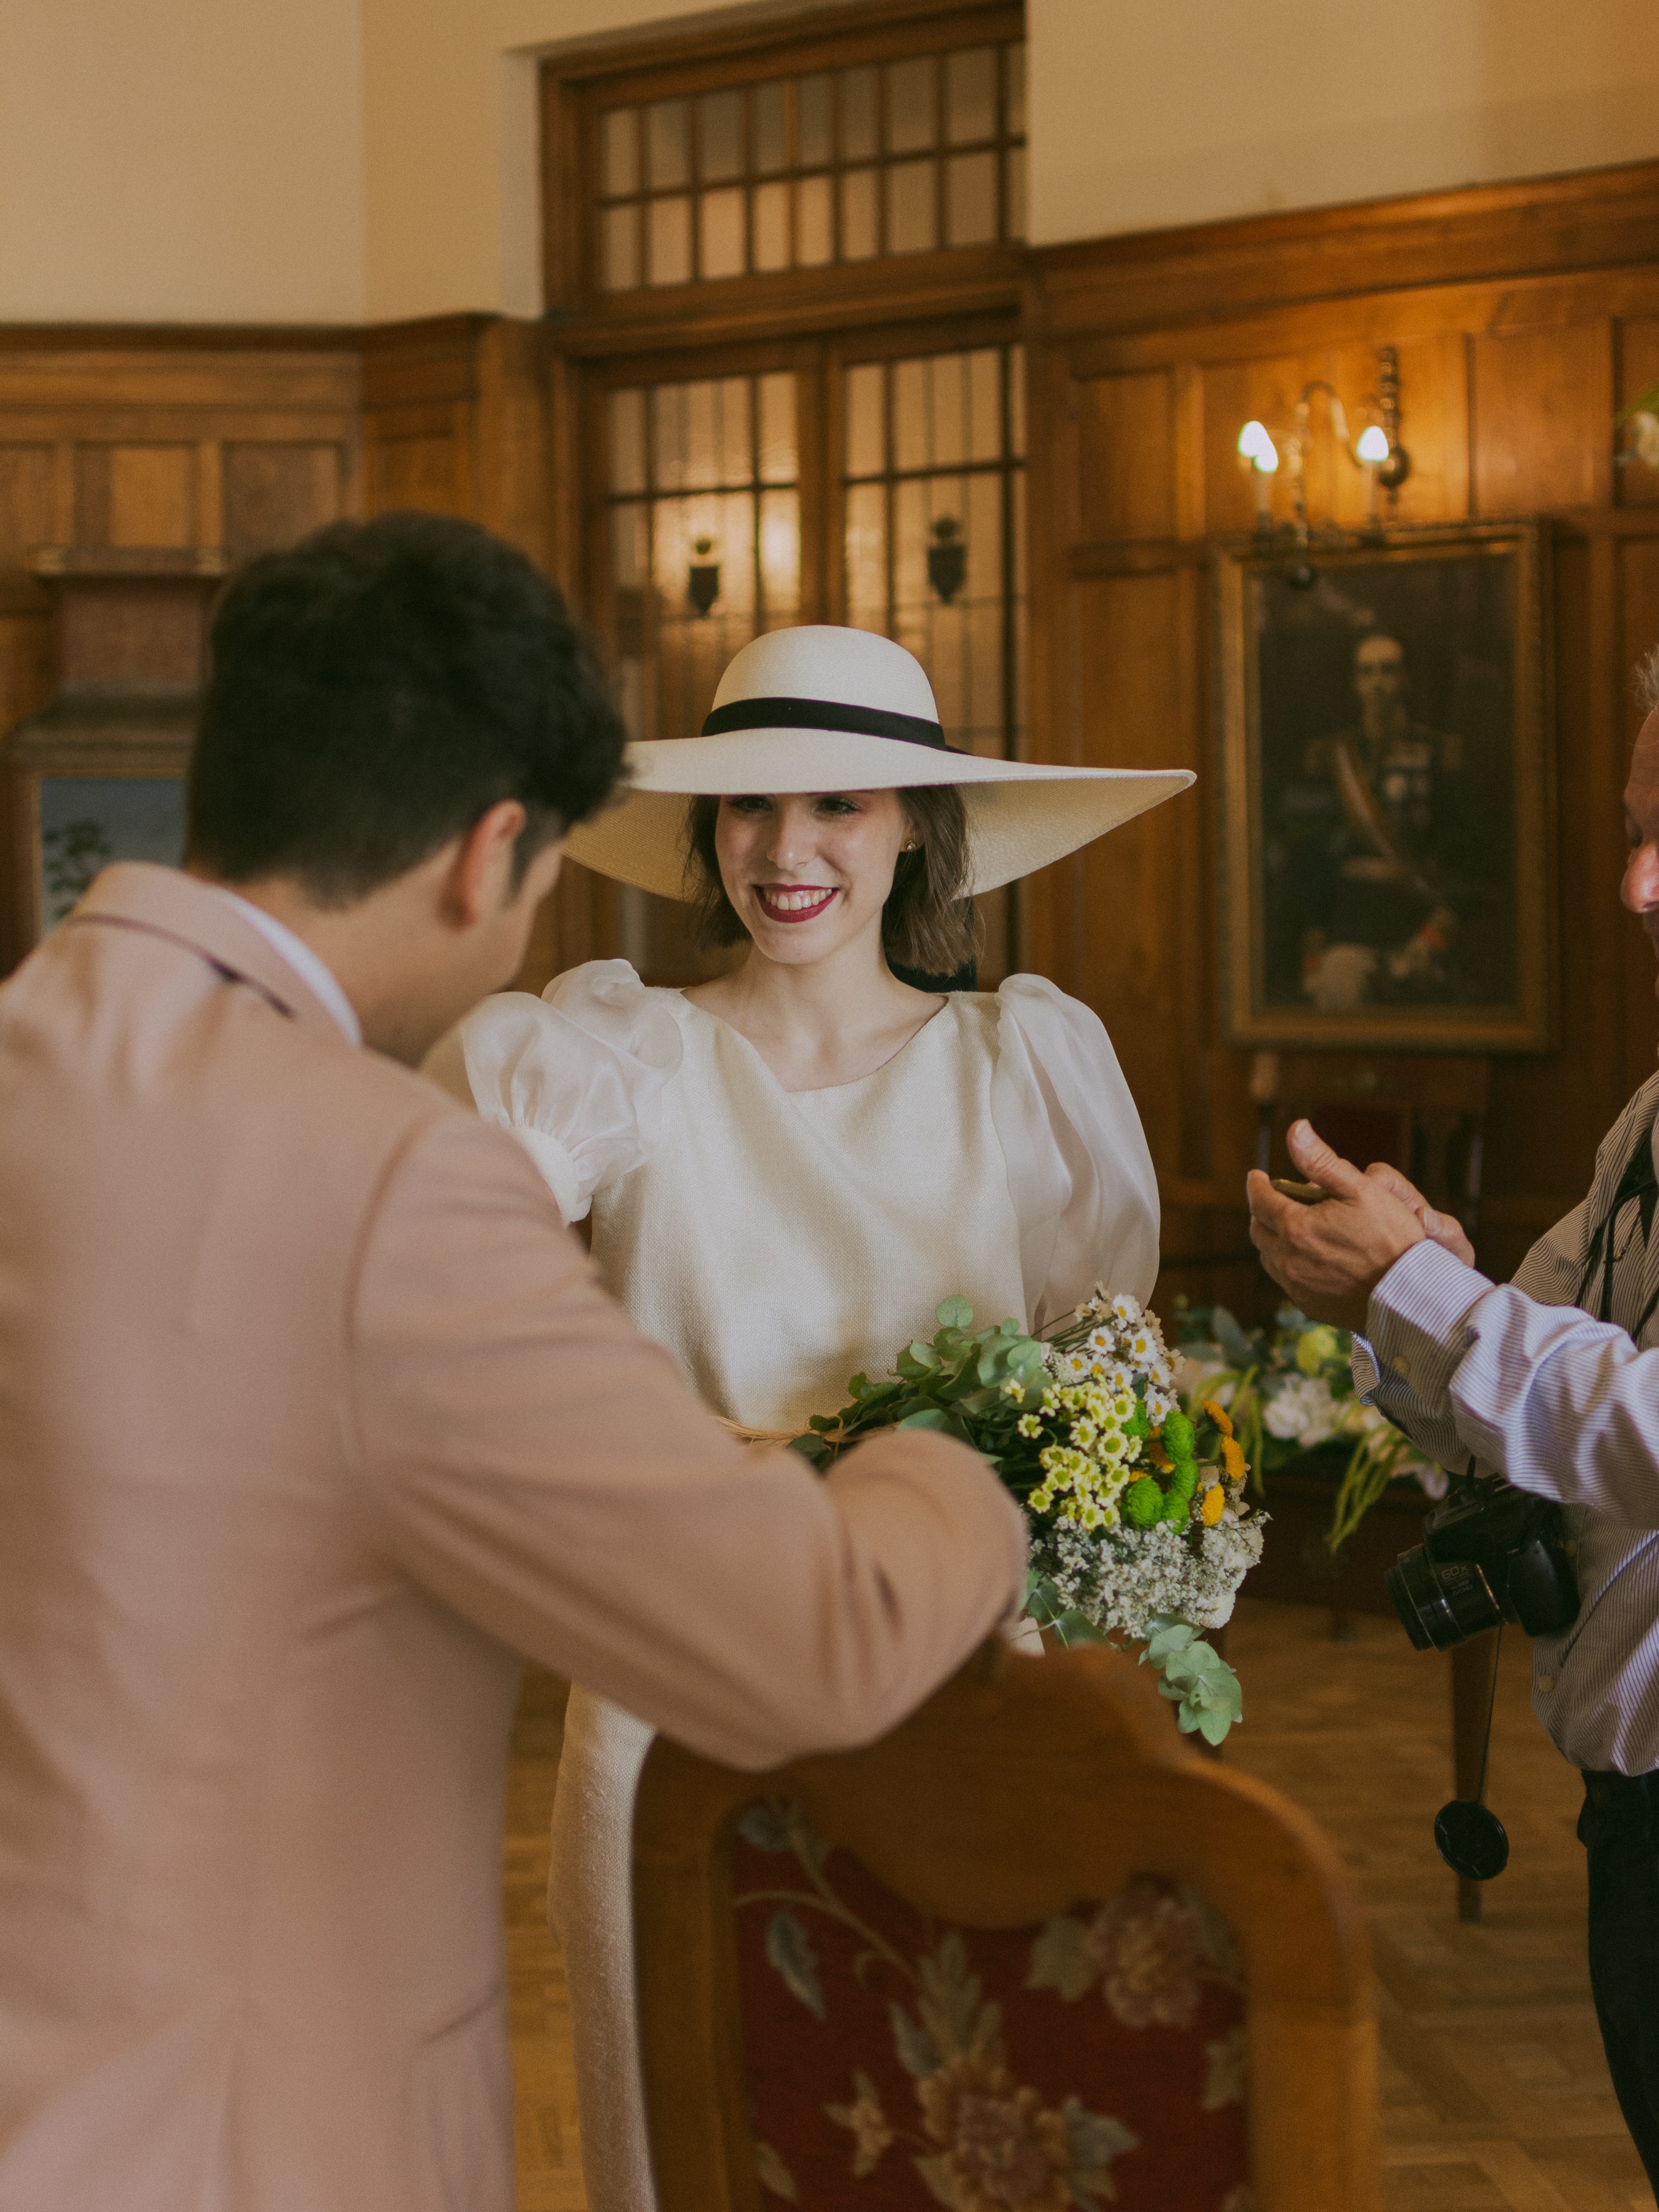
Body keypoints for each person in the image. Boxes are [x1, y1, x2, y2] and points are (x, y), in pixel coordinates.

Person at [0, 518, 1030, 2212]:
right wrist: (964, 1457)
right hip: (236, 2140)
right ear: (492, 856)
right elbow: (813, 1640)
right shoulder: (388, 1174)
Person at [427, 621, 1193, 2210]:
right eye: (749, 807)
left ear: (915, 820)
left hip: (964, 1673)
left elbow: (1108, 1384)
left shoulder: (1024, 1062)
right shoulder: (616, 1055)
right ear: (706, 831)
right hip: (670, 1686)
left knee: (956, 2114)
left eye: (836, 803)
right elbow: (425, 1240)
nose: (786, 849)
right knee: (687, 2112)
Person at [1245, 642, 1659, 2197]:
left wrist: (1432, 1296)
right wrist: (1387, 1289)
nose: (1631, 881)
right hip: (1628, 1829)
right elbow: (1514, 1366)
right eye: (1627, 823)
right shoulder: (1646, 1117)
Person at [1272, 630, 1482, 1012]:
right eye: (1367, 672)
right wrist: (1315, 953)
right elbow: (1311, 861)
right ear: (1356, 683)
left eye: (1388, 671)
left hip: (1419, 924)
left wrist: (1435, 937)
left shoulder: (1440, 755)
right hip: (1351, 926)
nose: (1378, 683)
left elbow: (1466, 853)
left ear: (1405, 680)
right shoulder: (1329, 760)